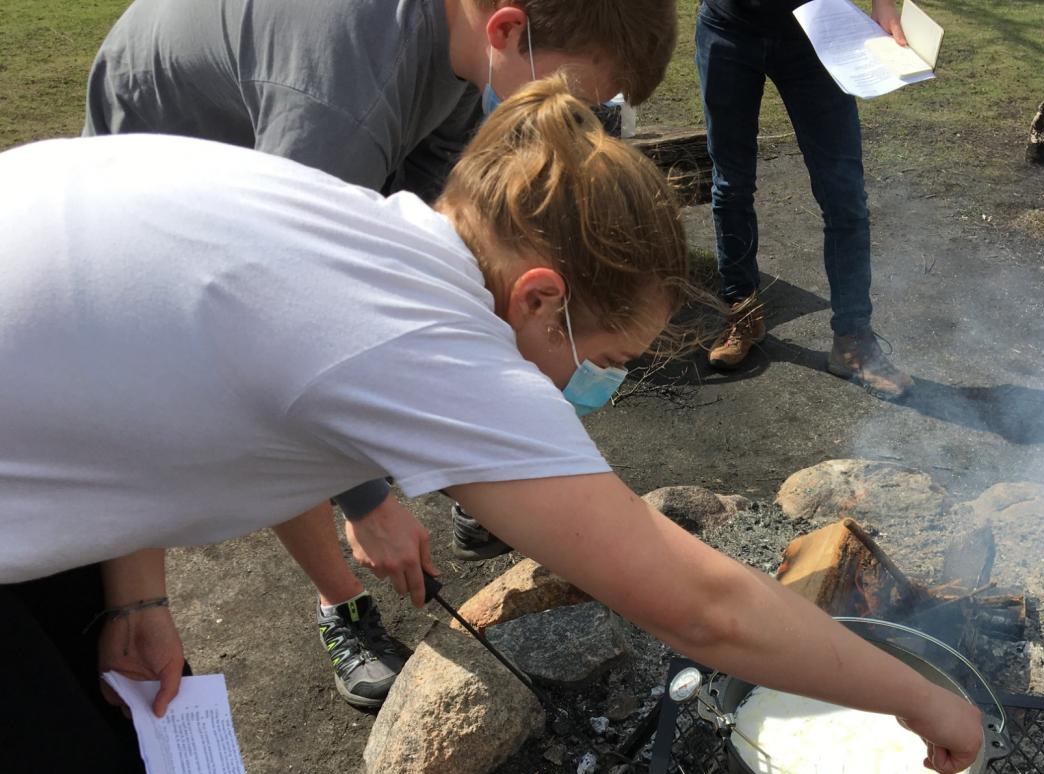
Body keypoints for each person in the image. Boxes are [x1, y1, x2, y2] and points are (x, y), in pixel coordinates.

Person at [0, 79, 983, 774]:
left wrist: (134, 595)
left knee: (101, 761)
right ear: (541, 298)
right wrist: (916, 699)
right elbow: (703, 610)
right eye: (606, 359)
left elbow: (122, 373)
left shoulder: (371, 227)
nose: (596, 387)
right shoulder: (435, 344)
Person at [84, 0, 679, 708]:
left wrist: (476, 454)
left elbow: (425, 266)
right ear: (508, 31)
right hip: (160, 193)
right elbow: (284, 332)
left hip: (265, 217)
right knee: (286, 402)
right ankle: (340, 601)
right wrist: (366, 502)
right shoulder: (343, 107)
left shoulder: (463, 63)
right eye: (573, 93)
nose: (570, 119)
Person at [695, 0, 914, 399]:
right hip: (728, 26)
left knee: (844, 194)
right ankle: (742, 312)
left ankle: (853, 340)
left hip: (818, 29)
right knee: (731, 184)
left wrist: (883, 4)